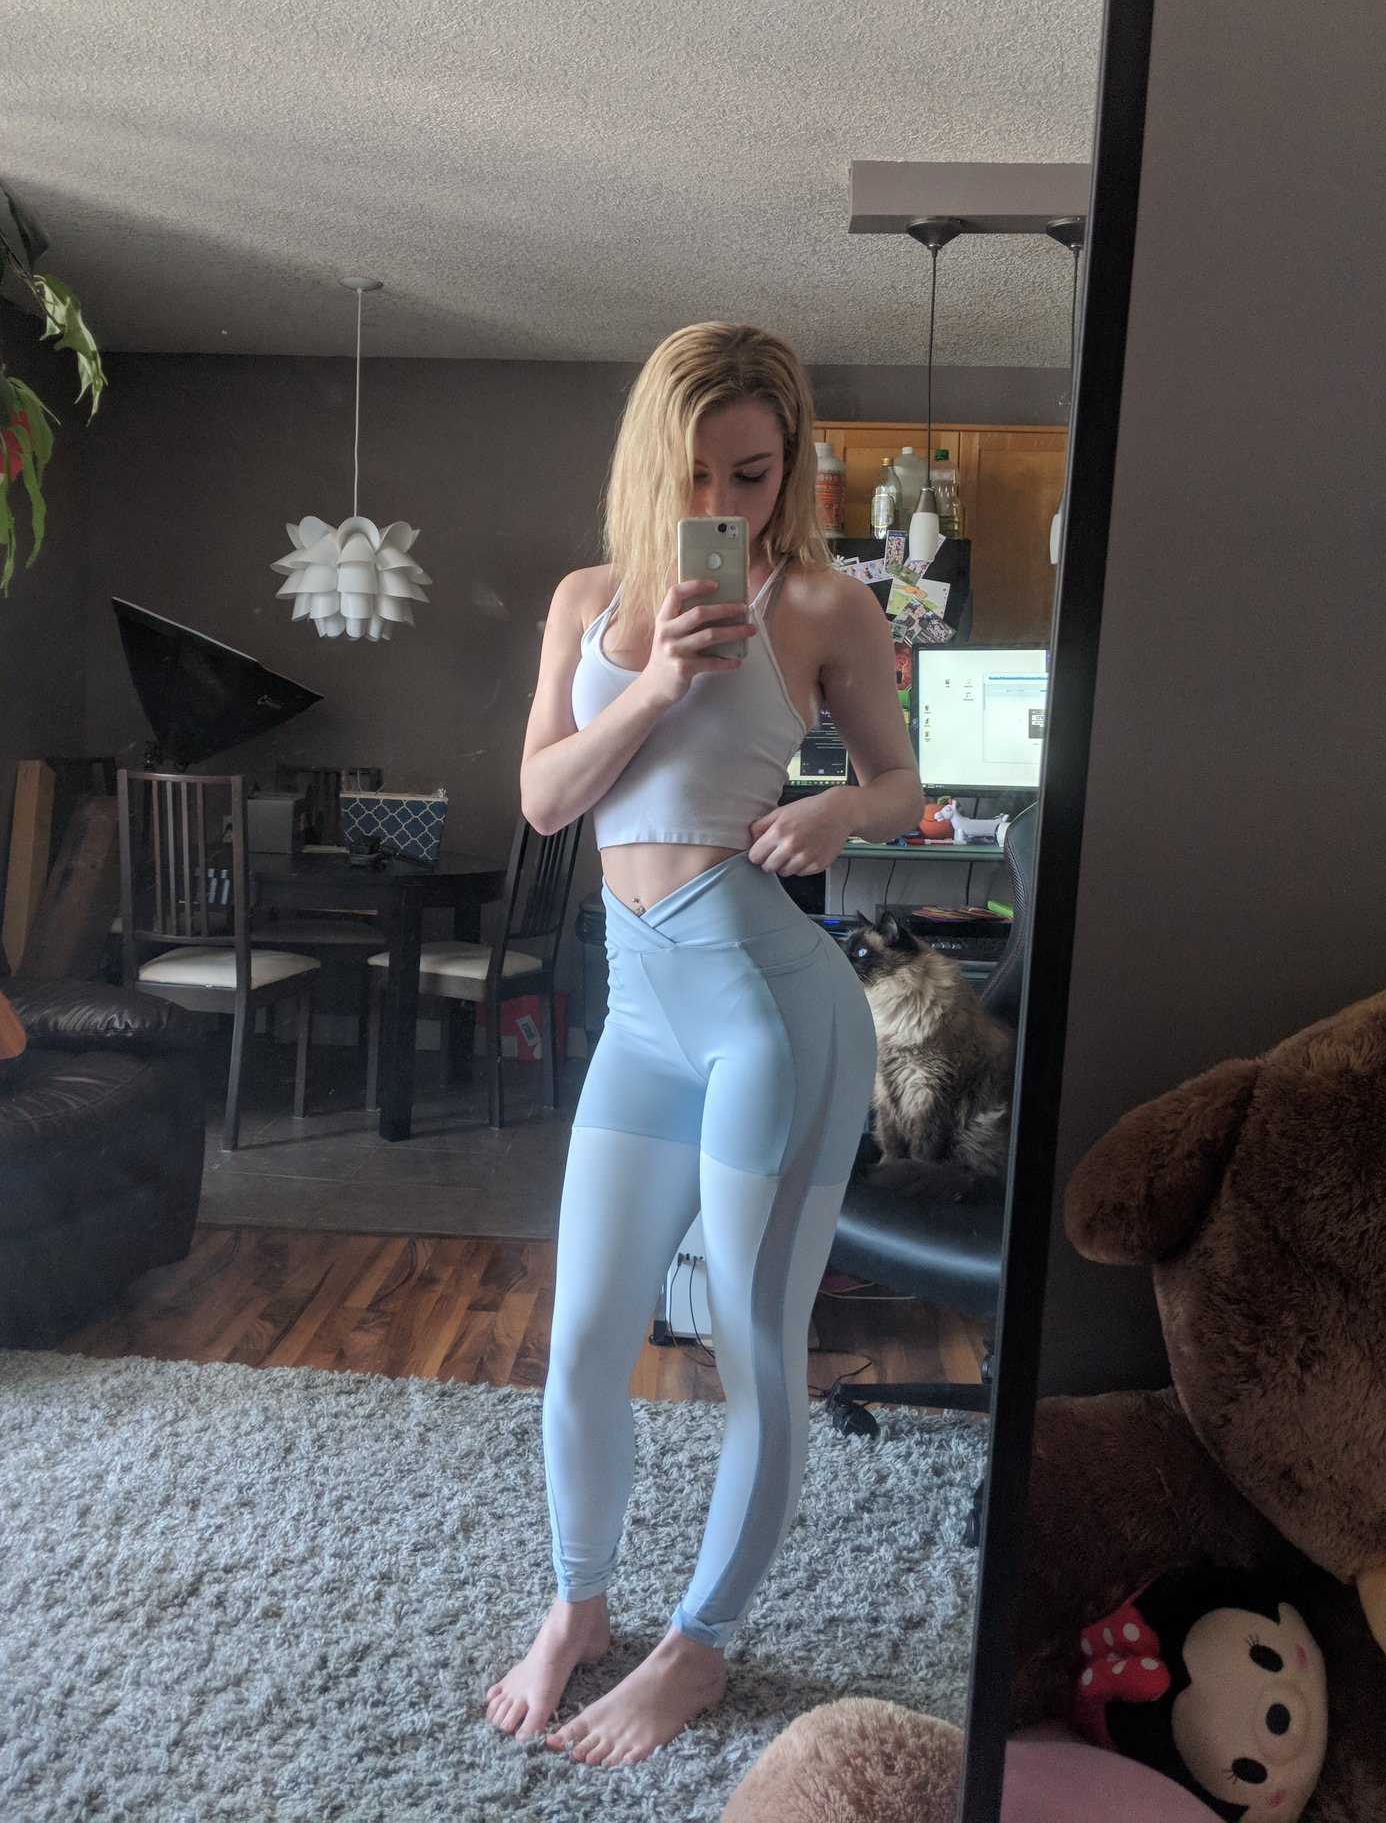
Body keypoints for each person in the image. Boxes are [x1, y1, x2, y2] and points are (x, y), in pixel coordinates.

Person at [485, 322, 923, 1768]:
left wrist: (838, 810)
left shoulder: (824, 602)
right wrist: (661, 681)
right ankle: (578, 1605)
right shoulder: (587, 601)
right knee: (582, 1342)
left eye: (753, 472)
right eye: (695, 473)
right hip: (639, 1016)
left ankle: (699, 1645)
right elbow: (546, 799)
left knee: (752, 1346)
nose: (724, 502)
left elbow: (901, 783)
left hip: (770, 1019)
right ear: (646, 463)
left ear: (789, 466)